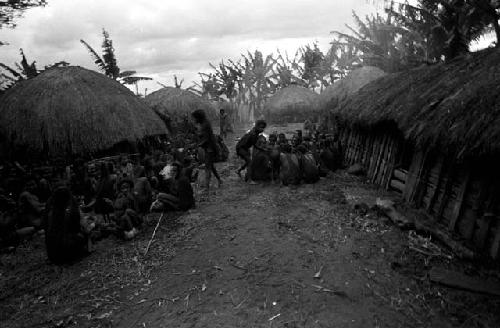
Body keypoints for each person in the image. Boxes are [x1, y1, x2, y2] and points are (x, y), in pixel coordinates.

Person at [45, 185, 91, 264]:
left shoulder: (51, 212)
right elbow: (81, 229)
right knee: (84, 235)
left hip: (52, 255)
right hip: (64, 252)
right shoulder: (68, 213)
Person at [192, 109, 222, 192]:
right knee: (210, 166)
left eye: (194, 118)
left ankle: (206, 187)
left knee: (207, 168)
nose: (194, 119)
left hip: (210, 148)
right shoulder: (204, 123)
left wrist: (197, 145)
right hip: (209, 147)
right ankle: (219, 180)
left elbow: (205, 138)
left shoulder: (205, 125)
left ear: (198, 117)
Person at [235, 120, 267, 184]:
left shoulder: (255, 133)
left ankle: (239, 170)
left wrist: (261, 149)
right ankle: (249, 180)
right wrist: (262, 149)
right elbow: (253, 145)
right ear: (256, 126)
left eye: (263, 128)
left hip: (245, 148)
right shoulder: (253, 134)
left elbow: (254, 144)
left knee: (248, 161)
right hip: (241, 148)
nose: (262, 129)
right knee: (250, 162)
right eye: (261, 127)